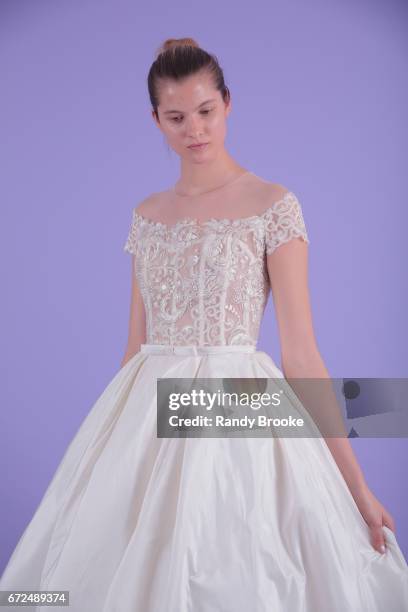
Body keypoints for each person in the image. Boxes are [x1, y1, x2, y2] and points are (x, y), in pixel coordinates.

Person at [1, 37, 408, 612]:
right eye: (175, 117)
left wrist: (357, 487)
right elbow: (134, 348)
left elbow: (302, 356)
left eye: (205, 111)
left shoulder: (273, 204)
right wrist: (104, 452)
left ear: (227, 103)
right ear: (156, 120)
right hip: (145, 415)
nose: (193, 129)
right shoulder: (146, 216)